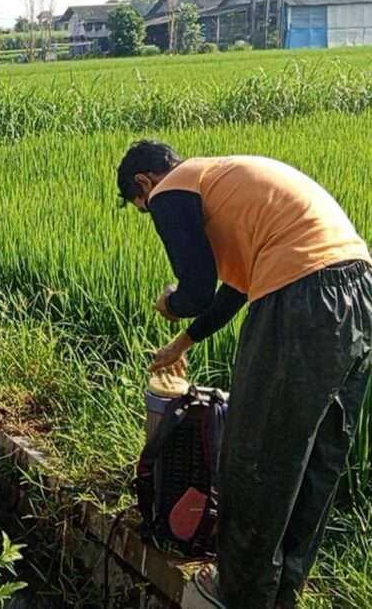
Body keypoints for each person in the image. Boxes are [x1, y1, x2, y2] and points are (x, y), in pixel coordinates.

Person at [117, 141, 372, 609]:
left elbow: (196, 288)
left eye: (141, 208)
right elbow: (235, 287)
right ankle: (278, 594)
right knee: (315, 460)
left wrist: (170, 303)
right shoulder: (225, 184)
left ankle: (237, 593)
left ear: (144, 184)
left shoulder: (171, 189)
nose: (149, 213)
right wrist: (184, 343)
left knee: (254, 456)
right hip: (355, 294)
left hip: (301, 298)